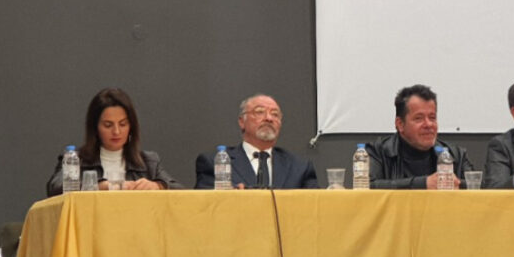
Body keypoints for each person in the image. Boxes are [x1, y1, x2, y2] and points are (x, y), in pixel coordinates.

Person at [47, 88, 184, 196]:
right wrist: (99, 187)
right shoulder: (76, 159)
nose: (117, 132)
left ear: (131, 127)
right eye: (108, 125)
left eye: (123, 124)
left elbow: (182, 193)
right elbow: (55, 188)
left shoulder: (149, 162)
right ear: (95, 128)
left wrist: (158, 186)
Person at [194, 94, 318, 189]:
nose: (269, 118)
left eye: (275, 114)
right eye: (260, 112)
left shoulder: (299, 167)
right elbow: (204, 204)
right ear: (242, 122)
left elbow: (315, 206)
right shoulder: (214, 162)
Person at [365, 84, 474, 189]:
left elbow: (476, 185)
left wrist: (455, 184)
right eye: (419, 118)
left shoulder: (455, 155)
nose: (428, 124)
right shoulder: (378, 152)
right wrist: (423, 184)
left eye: (432, 118)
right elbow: (367, 186)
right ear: (400, 124)